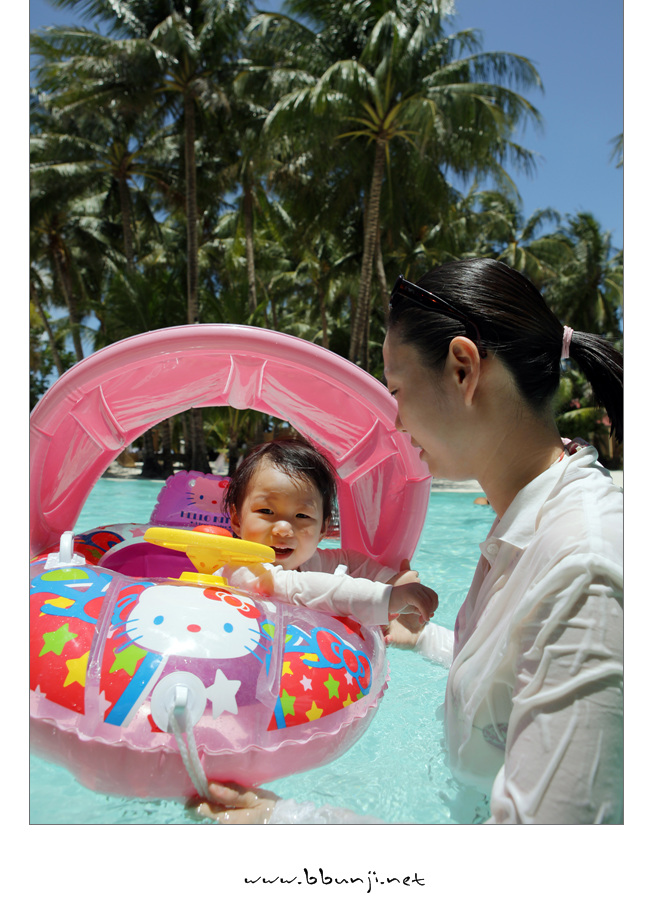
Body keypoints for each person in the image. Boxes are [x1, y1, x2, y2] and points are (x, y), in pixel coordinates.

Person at [199, 258, 623, 825]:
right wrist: (424, 641)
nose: (396, 422)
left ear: (462, 369)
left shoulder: (586, 570)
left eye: (397, 389)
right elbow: (511, 676)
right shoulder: (531, 524)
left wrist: (284, 822)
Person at [218, 436, 438, 628]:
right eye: (266, 511)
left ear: (322, 528)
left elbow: (348, 561)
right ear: (237, 519)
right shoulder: (241, 568)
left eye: (302, 516)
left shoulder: (310, 561)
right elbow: (304, 588)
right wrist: (387, 598)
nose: (284, 529)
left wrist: (389, 578)